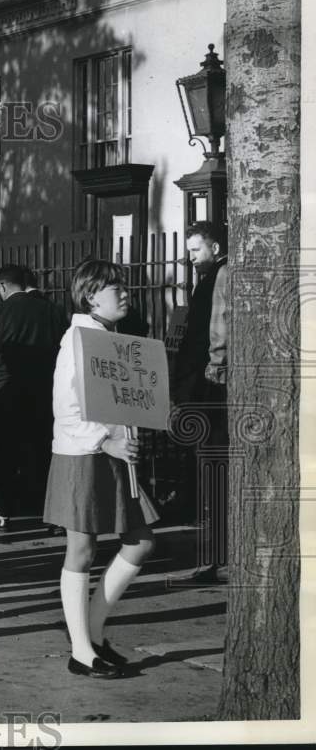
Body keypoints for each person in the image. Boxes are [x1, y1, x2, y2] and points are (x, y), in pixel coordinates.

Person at [43, 259, 160, 679]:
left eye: (124, 286)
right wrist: (105, 439)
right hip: (83, 455)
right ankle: (81, 651)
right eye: (115, 288)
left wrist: (128, 429)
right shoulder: (77, 339)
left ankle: (90, 634)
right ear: (91, 295)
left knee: (141, 542)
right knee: (82, 549)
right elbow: (66, 408)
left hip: (112, 456)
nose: (125, 293)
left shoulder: (109, 337)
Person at [0, 264, 68, 531]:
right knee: (45, 452)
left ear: (2, 286)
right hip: (47, 392)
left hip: (4, 393)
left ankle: (3, 512)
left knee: (1, 454)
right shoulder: (55, 311)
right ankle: (53, 514)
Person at [173, 221, 229, 583]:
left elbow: (219, 327)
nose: (191, 257)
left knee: (214, 465)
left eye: (196, 250)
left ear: (215, 246)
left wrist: (214, 368)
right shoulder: (211, 277)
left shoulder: (222, 275)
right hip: (205, 381)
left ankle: (217, 555)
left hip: (210, 384)